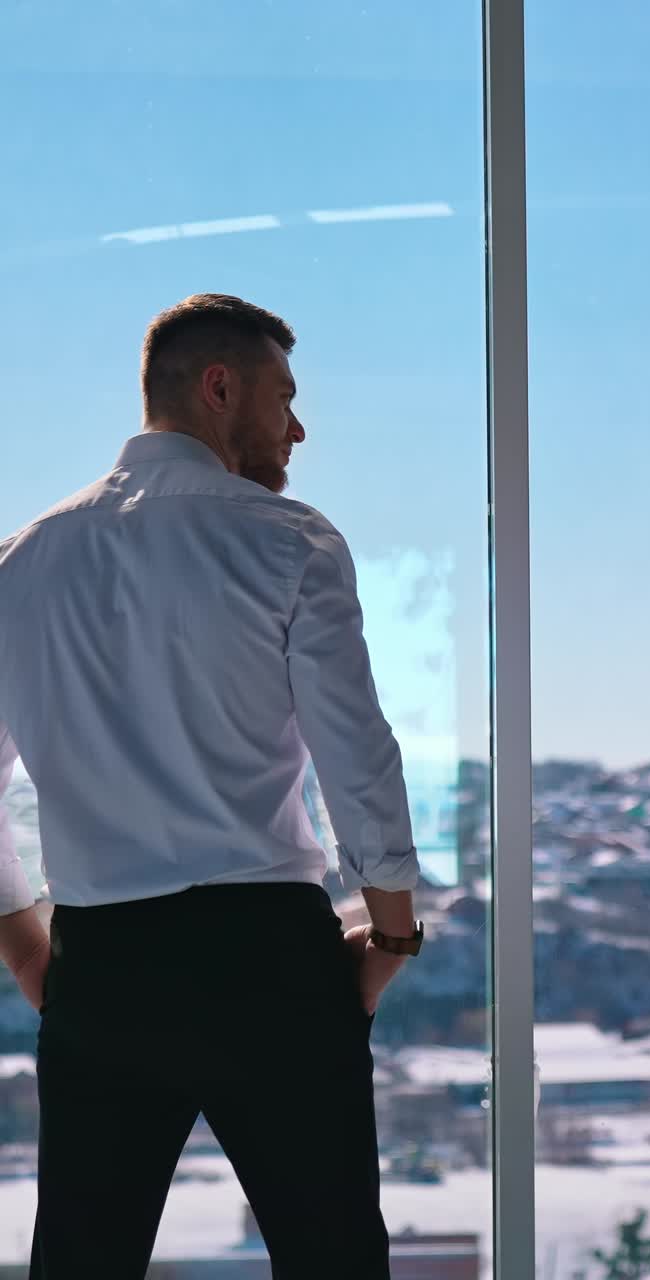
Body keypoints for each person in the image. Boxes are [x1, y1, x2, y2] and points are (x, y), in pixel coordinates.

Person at [0, 294, 425, 1278]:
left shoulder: (20, 566)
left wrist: (28, 949)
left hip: (102, 961)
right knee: (333, 1260)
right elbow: (356, 749)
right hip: (266, 956)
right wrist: (393, 930)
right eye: (284, 397)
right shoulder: (289, 539)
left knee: (81, 1262)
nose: (297, 426)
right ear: (219, 387)